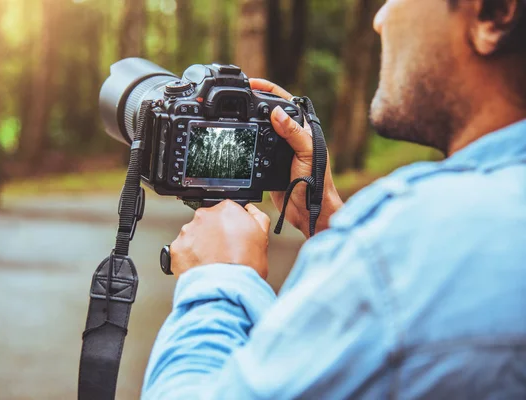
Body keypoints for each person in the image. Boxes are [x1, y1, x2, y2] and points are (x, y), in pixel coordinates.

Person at [143, 0, 526, 398]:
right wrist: (328, 221)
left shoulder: (404, 245)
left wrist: (217, 281)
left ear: (493, 13)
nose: (380, 20)